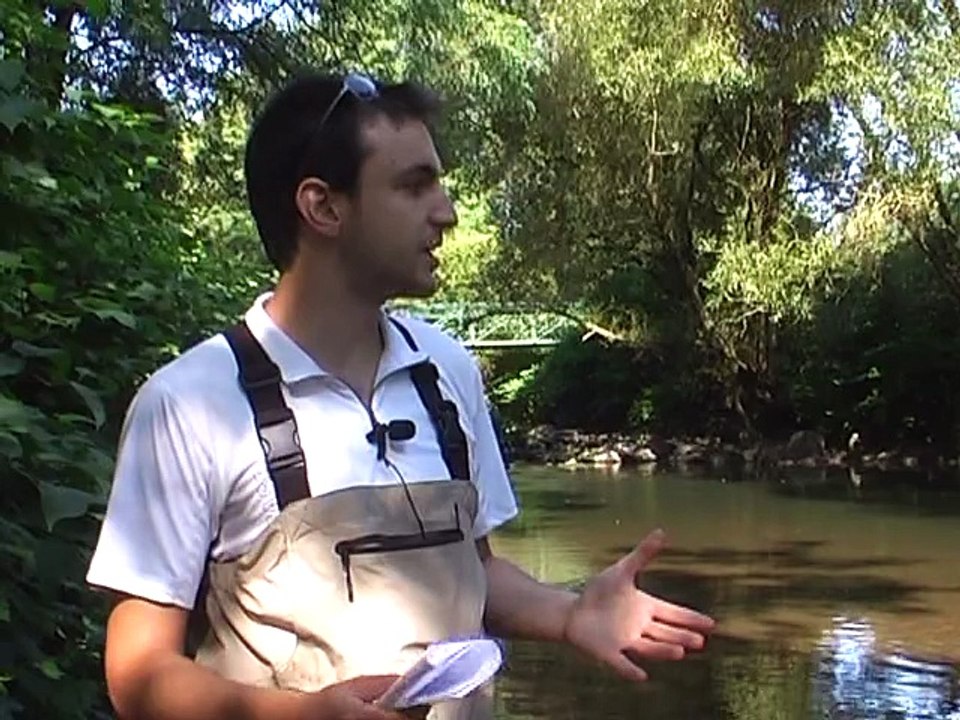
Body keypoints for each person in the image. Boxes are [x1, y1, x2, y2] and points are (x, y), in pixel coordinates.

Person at [86, 71, 715, 720]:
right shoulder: (189, 404)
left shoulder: (448, 372)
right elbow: (138, 672)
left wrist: (572, 612)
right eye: (415, 187)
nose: (446, 212)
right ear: (323, 207)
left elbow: (474, 574)